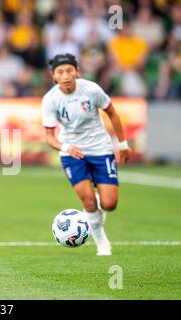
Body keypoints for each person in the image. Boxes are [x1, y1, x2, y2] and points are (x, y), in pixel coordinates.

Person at [42, 53, 132, 256]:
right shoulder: (50, 99)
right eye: (60, 72)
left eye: (69, 71)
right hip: (72, 153)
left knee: (109, 204)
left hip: (100, 148)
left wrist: (123, 144)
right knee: (89, 202)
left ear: (77, 72)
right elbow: (49, 137)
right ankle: (102, 243)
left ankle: (95, 209)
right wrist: (65, 147)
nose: (65, 76)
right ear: (53, 76)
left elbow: (112, 113)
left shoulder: (91, 90)